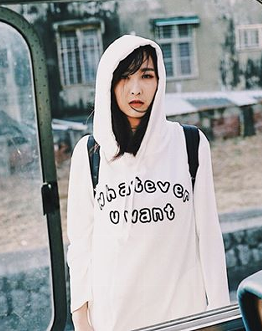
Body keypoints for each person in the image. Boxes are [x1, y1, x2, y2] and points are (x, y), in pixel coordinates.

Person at [67, 35, 230, 331]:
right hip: (114, 318)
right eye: (124, 77)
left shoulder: (190, 143)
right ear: (108, 83)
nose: (136, 89)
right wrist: (81, 320)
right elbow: (81, 244)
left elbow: (208, 234)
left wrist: (216, 315)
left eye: (146, 76)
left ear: (159, 81)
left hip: (183, 314)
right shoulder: (90, 153)